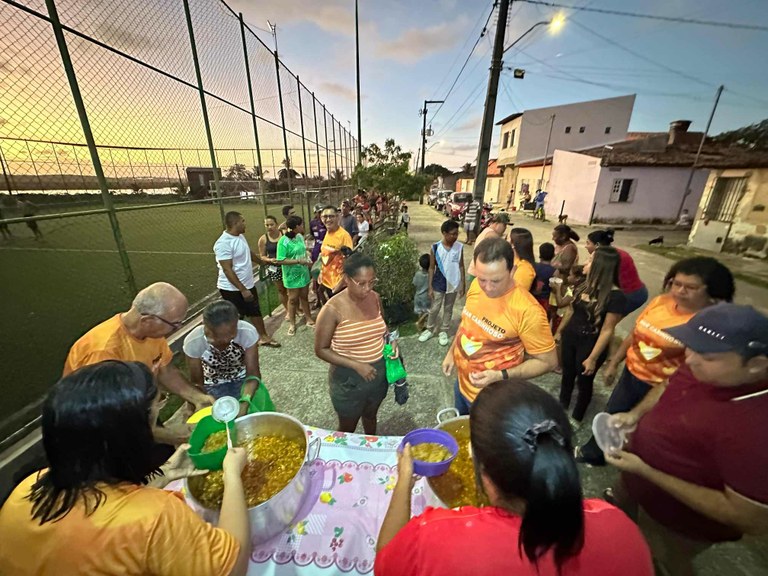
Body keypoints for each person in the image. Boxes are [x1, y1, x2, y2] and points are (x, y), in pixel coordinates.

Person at [375, 379, 653, 576]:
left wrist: (403, 482)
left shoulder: (438, 538)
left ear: (485, 479)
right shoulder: (621, 527)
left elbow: (385, 562)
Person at [0, 361, 250, 576]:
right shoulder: (155, 517)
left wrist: (159, 476)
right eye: (156, 409)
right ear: (132, 436)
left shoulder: (27, 488)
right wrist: (232, 476)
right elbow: (233, 566)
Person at [606, 304, 768, 576]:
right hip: (635, 481)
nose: (689, 359)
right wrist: (634, 415)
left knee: (662, 560)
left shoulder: (757, 428)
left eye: (706, 354)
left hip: (678, 523)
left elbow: (748, 517)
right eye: (690, 347)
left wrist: (646, 470)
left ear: (756, 365)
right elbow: (668, 384)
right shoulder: (703, 366)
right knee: (617, 529)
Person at [576, 257, 735, 465]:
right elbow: (636, 332)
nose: (679, 291)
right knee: (613, 414)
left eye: (691, 287)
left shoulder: (709, 324)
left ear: (713, 292)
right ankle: (596, 453)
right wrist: (614, 362)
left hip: (663, 388)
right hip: (631, 374)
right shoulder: (661, 302)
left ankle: (632, 469)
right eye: (676, 283)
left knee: (645, 430)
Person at [63, 282, 213, 444]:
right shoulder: (103, 351)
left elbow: (164, 370)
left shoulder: (151, 334)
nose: (177, 328)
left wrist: (197, 397)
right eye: (175, 324)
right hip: (100, 430)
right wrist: (176, 437)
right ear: (148, 320)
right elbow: (111, 418)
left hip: (139, 412)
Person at [444, 237, 557, 415]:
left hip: (492, 400)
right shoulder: (476, 285)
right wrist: (452, 353)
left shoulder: (528, 311)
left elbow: (548, 362)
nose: (487, 288)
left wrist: (500, 375)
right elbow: (467, 322)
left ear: (512, 271)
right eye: (482, 279)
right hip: (462, 385)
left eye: (496, 281)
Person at [314, 253, 396, 434]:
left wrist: (392, 343)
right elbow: (321, 349)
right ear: (346, 279)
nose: (367, 288)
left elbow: (383, 329)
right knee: (347, 428)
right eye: (361, 283)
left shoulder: (375, 298)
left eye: (372, 282)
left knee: (371, 416)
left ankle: (370, 447)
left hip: (377, 376)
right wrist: (356, 365)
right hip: (348, 380)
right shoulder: (332, 309)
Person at [558, 247, 626, 427]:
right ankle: (561, 406)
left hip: (590, 344)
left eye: (589, 261)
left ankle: (577, 417)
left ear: (600, 266)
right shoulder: (582, 284)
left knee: (584, 382)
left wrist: (593, 358)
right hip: (571, 336)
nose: (584, 264)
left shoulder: (616, 296)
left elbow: (607, 330)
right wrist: (559, 332)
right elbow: (570, 310)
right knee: (567, 374)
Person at [184, 301, 260, 416]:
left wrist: (244, 403)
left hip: (243, 380)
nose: (225, 340)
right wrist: (193, 405)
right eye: (217, 336)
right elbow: (197, 383)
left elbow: (253, 375)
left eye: (231, 334)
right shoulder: (194, 341)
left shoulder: (247, 332)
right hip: (212, 385)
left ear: (237, 322)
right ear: (205, 325)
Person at [214, 211, 279, 347]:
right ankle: (231, 343)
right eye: (243, 221)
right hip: (232, 288)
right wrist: (242, 290)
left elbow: (248, 252)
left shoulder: (240, 236)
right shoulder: (223, 243)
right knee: (236, 315)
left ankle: (263, 337)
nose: (245, 224)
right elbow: (227, 269)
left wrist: (261, 262)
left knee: (254, 310)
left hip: (247, 284)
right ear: (235, 223)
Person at [419, 219, 465, 347]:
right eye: (452, 234)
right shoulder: (435, 247)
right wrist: (429, 287)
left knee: (448, 308)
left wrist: (462, 284)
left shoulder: (459, 247)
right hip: (438, 283)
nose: (455, 236)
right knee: (435, 308)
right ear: (444, 233)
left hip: (453, 283)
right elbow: (431, 268)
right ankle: (429, 329)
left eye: (457, 234)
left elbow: (461, 266)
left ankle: (444, 330)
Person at [584, 229, 648, 316]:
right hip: (636, 291)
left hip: (631, 295)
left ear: (597, 245)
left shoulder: (608, 257)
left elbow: (596, 279)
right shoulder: (611, 253)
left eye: (588, 243)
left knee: (605, 322)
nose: (585, 246)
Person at [277, 215, 314, 336]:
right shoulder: (283, 241)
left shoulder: (299, 236)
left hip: (303, 273)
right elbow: (280, 260)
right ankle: (292, 324)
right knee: (292, 299)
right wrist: (298, 261)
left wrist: (307, 256)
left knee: (304, 296)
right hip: (291, 275)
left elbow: (302, 250)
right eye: (301, 224)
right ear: (296, 227)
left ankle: (308, 318)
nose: (303, 226)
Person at [319, 205, 354, 300]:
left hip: (339, 286)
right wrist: (321, 273)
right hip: (328, 282)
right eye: (325, 217)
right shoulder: (327, 232)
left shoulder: (344, 236)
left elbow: (350, 263)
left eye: (331, 216)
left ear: (338, 217)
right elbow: (325, 255)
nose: (328, 219)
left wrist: (340, 284)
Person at [466, 212, 510, 285]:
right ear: (497, 223)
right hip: (479, 273)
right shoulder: (490, 233)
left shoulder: (487, 230)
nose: (505, 228)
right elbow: (503, 248)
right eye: (504, 225)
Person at [258, 215, 289, 319]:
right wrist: (270, 260)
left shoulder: (284, 234)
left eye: (271, 224)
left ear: (276, 224)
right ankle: (288, 310)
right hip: (274, 268)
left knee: (292, 288)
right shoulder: (263, 239)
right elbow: (262, 256)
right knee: (281, 290)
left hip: (288, 266)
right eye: (267, 225)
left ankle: (296, 307)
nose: (269, 227)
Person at [309, 204, 328, 308]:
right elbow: (313, 235)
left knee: (326, 274)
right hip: (316, 251)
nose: (321, 214)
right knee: (315, 275)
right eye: (319, 212)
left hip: (326, 251)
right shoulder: (313, 223)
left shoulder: (327, 223)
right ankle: (318, 299)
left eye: (322, 212)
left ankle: (326, 297)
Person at [509, 227, 536, 292]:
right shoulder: (513, 260)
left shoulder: (525, 269)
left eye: (507, 238)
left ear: (513, 244)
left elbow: (517, 294)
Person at [533, 242, 556, 310]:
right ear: (553, 255)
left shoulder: (533, 266)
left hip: (532, 298)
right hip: (545, 301)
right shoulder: (554, 271)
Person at [413, 253, 431, 332]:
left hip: (417, 296)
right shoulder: (430, 275)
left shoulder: (417, 274)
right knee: (428, 311)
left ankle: (421, 326)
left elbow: (414, 283)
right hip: (426, 297)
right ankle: (419, 323)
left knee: (420, 311)